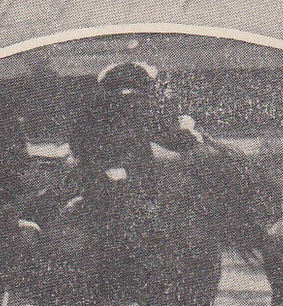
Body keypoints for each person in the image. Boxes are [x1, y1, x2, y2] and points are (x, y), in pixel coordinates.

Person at [63, 61, 205, 211]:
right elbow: (166, 136)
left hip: (97, 177)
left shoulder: (93, 108)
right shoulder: (140, 106)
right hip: (135, 177)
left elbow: (76, 141)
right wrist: (192, 135)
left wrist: (99, 167)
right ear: (142, 85)